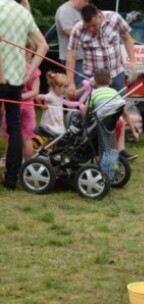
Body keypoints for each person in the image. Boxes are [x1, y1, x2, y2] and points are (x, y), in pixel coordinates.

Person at [66, 3, 138, 160]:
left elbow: (127, 37)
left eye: (93, 25)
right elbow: (71, 54)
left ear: (100, 16)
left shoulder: (114, 18)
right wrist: (71, 82)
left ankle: (120, 149)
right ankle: (92, 147)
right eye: (88, 26)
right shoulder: (78, 29)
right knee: (92, 113)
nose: (91, 29)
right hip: (92, 77)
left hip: (116, 73)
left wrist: (132, 61)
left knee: (118, 109)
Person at [0, 0, 48, 190]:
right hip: (16, 82)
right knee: (14, 128)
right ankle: (11, 179)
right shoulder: (24, 13)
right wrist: (29, 73)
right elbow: (43, 46)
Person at [2, 40, 41, 161]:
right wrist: (23, 96)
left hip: (13, 106)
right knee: (27, 137)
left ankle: (6, 159)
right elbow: (35, 92)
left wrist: (15, 97)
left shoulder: (10, 69)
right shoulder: (34, 71)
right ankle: (27, 162)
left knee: (11, 136)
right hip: (28, 107)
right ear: (31, 53)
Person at [85, 69, 140, 143]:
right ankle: (119, 148)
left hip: (100, 124)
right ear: (110, 81)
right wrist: (134, 132)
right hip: (116, 123)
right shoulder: (115, 93)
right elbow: (125, 113)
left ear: (94, 81)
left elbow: (86, 111)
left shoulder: (93, 94)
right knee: (120, 120)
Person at [55, 0, 89, 88]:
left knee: (86, 87)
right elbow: (68, 31)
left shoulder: (80, 11)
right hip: (73, 59)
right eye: (86, 1)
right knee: (78, 88)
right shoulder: (64, 10)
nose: (87, 4)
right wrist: (90, 33)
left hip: (83, 57)